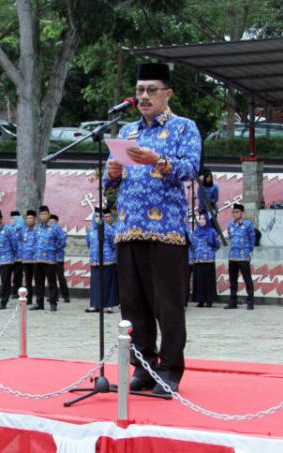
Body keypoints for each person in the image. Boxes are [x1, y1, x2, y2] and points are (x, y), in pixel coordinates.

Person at [104, 62, 201, 395]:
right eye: (140, 90)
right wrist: (113, 172)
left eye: (151, 90)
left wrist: (156, 160)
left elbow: (190, 169)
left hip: (167, 232)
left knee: (168, 305)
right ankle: (143, 367)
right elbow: (110, 184)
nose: (144, 97)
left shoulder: (183, 128)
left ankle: (170, 370)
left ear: (167, 93)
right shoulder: (129, 132)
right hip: (129, 229)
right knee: (133, 305)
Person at [85, 208, 118, 313]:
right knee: (95, 284)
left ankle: (109, 305)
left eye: (100, 216)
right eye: (95, 216)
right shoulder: (90, 230)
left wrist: (110, 255)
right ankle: (95, 305)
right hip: (95, 261)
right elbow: (89, 244)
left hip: (107, 260)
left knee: (108, 283)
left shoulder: (108, 229)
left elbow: (114, 244)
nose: (97, 218)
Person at [225, 204, 256, 310]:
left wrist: (248, 251)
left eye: (237, 212)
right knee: (232, 280)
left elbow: (252, 239)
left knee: (247, 279)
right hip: (233, 256)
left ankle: (250, 302)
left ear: (242, 213)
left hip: (243, 256)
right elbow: (230, 237)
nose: (234, 214)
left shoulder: (248, 225)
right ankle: (232, 302)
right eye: (233, 212)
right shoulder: (230, 225)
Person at [190, 212, 220, 308]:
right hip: (198, 259)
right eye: (200, 218)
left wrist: (210, 251)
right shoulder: (195, 232)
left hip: (208, 260)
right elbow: (192, 244)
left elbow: (217, 244)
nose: (201, 220)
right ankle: (200, 300)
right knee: (199, 280)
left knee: (208, 280)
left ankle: (209, 300)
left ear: (207, 220)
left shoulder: (212, 231)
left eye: (203, 218)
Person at [32, 205, 59, 312]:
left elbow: (61, 242)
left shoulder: (55, 228)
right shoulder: (37, 228)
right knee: (38, 283)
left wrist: (54, 252)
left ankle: (53, 303)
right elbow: (34, 242)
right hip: (38, 259)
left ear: (49, 215)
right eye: (41, 214)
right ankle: (39, 303)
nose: (43, 216)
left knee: (52, 283)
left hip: (50, 260)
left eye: (45, 214)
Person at [49, 214, 70, 303]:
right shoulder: (47, 232)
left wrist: (52, 247)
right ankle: (54, 296)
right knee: (51, 278)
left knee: (61, 277)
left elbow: (62, 244)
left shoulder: (62, 232)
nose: (51, 224)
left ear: (57, 222)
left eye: (53, 222)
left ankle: (66, 296)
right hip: (49, 259)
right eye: (50, 222)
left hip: (58, 258)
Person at [20, 210, 37, 305]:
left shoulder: (38, 230)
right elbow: (21, 243)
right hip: (26, 259)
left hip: (36, 260)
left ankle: (39, 300)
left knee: (38, 281)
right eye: (27, 218)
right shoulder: (24, 231)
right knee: (28, 281)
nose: (29, 220)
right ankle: (29, 299)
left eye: (31, 218)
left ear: (35, 219)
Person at [8, 210, 24, 298]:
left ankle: (16, 292)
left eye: (13, 218)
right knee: (8, 275)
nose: (12, 220)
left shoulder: (22, 229)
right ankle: (8, 292)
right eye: (11, 219)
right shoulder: (10, 228)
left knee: (17, 276)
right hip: (10, 256)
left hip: (19, 257)